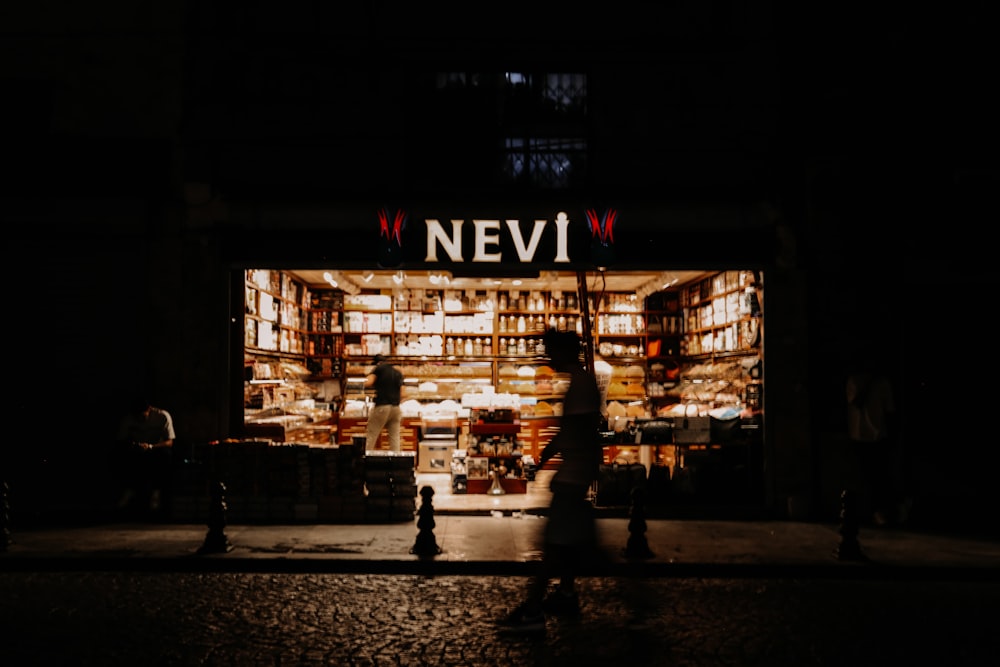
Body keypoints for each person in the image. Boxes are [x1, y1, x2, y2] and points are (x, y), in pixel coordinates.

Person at [502, 329, 603, 633]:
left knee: (553, 545)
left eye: (552, 351)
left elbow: (576, 430)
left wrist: (547, 454)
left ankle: (533, 611)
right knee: (567, 543)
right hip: (577, 472)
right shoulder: (581, 381)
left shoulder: (581, 384)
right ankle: (567, 594)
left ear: (565, 352)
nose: (549, 357)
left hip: (572, 476)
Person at [845, 346, 908, 526]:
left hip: (877, 435)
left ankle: (881, 512)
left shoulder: (883, 384)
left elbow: (890, 412)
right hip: (859, 435)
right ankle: (874, 511)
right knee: (867, 476)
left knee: (878, 477)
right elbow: (856, 402)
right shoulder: (854, 382)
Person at [115, 396, 175, 516]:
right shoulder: (128, 420)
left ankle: (156, 494)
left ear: (149, 410)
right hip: (136, 450)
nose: (140, 420)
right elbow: (121, 441)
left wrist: (151, 446)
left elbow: (170, 442)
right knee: (124, 457)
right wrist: (134, 445)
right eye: (137, 418)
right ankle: (128, 492)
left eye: (142, 417)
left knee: (165, 456)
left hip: (156, 449)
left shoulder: (162, 416)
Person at [364, 354, 404, 452]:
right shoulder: (397, 372)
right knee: (394, 438)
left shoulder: (379, 369)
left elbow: (368, 382)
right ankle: (396, 462)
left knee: (371, 435)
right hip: (396, 408)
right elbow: (403, 392)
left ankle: (364, 460)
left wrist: (366, 376)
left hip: (382, 407)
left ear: (377, 363)